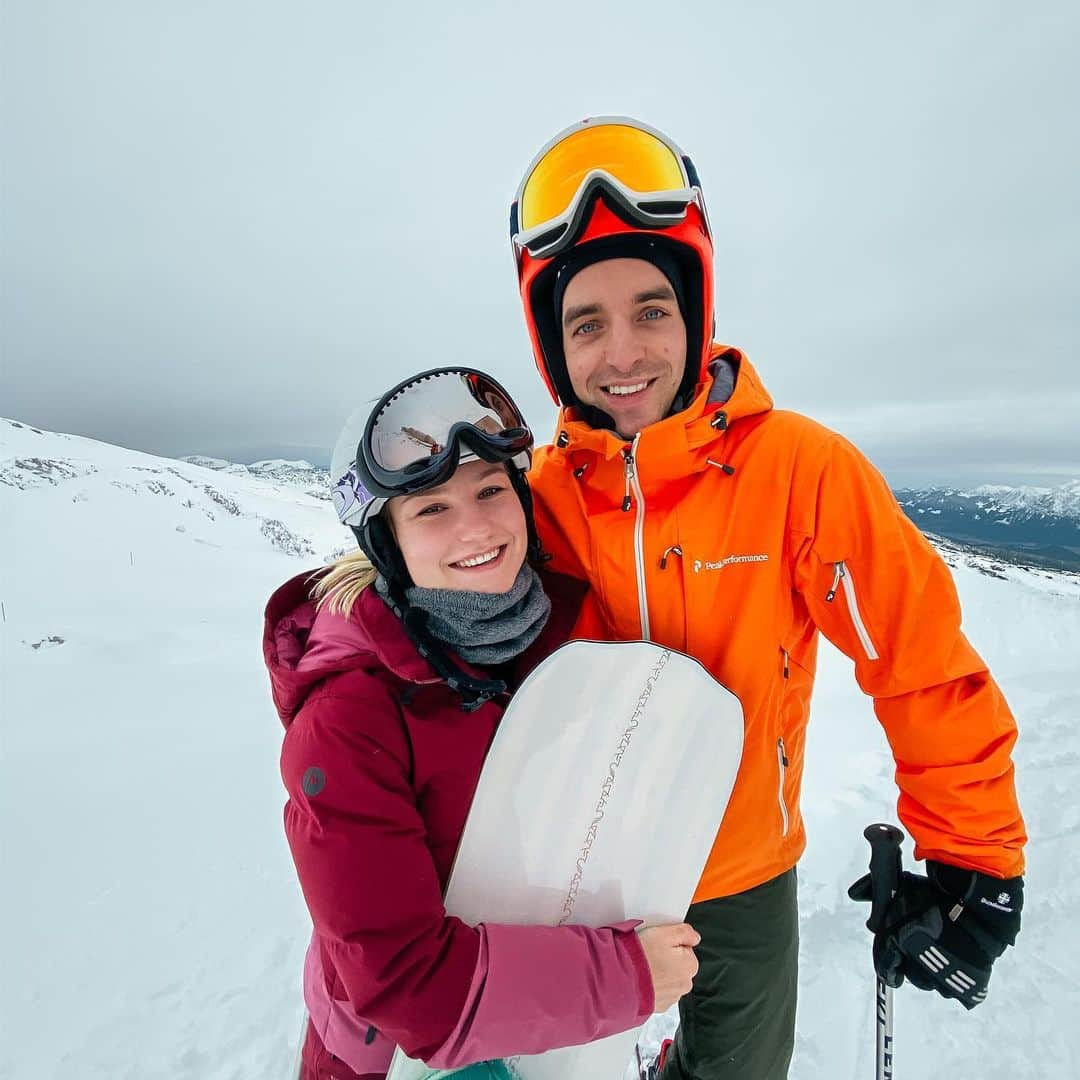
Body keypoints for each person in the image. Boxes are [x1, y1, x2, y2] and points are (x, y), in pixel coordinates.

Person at [508, 117, 1027, 1079]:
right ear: (552, 346)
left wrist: (974, 859)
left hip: (740, 874)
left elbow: (918, 661)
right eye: (587, 322)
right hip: (578, 874)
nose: (623, 351)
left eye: (651, 310)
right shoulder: (535, 501)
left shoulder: (794, 468)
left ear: (695, 313)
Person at [263, 366, 701, 1080]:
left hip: (553, 1041)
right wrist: (625, 976)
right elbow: (404, 983)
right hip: (393, 1061)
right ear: (387, 542)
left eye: (491, 490)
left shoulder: (562, 642)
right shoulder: (348, 721)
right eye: (430, 508)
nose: (475, 526)